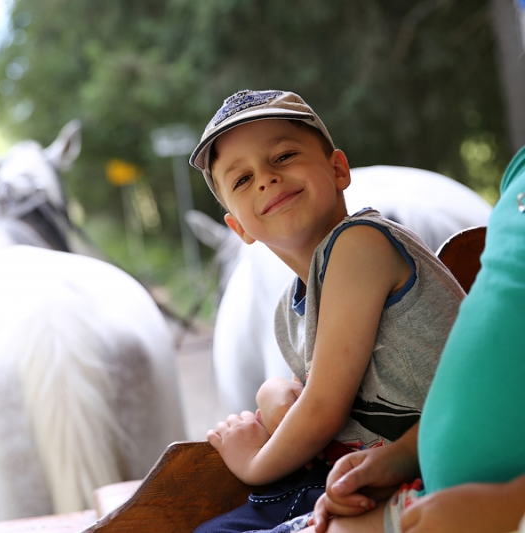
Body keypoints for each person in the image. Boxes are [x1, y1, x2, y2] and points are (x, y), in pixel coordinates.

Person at [186, 90, 466, 532]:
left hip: (445, 464)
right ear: (239, 228)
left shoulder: (361, 244)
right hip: (370, 473)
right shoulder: (290, 308)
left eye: (283, 156)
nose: (266, 179)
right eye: (242, 180)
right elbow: (318, 387)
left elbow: (322, 410)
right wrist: (272, 391)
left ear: (338, 169)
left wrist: (252, 464)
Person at [305, 145, 525, 533]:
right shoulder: (519, 176)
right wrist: (403, 457)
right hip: (422, 501)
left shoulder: (361, 246)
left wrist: (508, 508)